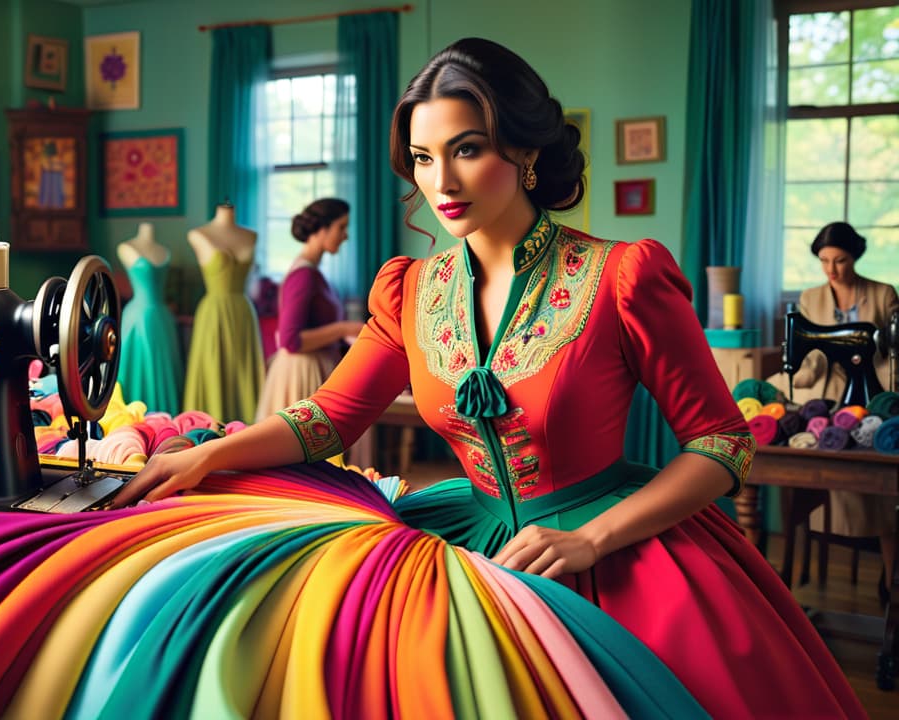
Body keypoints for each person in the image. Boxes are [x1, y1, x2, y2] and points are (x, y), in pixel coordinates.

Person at [114, 37, 865, 717]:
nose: (442, 181)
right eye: (423, 157)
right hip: (462, 538)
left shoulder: (622, 275)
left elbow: (723, 443)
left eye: (467, 149)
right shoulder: (409, 289)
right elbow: (330, 418)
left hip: (615, 549)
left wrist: (593, 541)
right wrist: (207, 454)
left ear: (525, 152)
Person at [770, 220, 898, 597]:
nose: (831, 269)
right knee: (811, 475)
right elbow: (810, 359)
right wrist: (790, 376)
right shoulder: (811, 298)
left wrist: (886, 392)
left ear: (854, 256)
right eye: (824, 260)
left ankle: (891, 583)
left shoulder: (883, 294)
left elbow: (892, 354)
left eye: (839, 260)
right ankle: (794, 580)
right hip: (827, 403)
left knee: (880, 492)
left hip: (870, 399)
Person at [253, 198, 363, 423]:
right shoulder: (303, 275)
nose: (346, 236)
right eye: (341, 227)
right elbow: (291, 340)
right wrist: (343, 329)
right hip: (302, 372)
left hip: (315, 365)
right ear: (322, 230)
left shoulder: (313, 273)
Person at [182, 203, 266, 423]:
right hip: (214, 314)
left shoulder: (251, 235)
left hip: (243, 314)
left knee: (243, 373)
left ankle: (246, 430)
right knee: (213, 369)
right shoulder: (198, 235)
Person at [116, 223, 184, 415]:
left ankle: (165, 414)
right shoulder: (126, 248)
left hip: (163, 318)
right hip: (139, 318)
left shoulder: (163, 250)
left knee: (165, 371)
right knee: (137, 368)